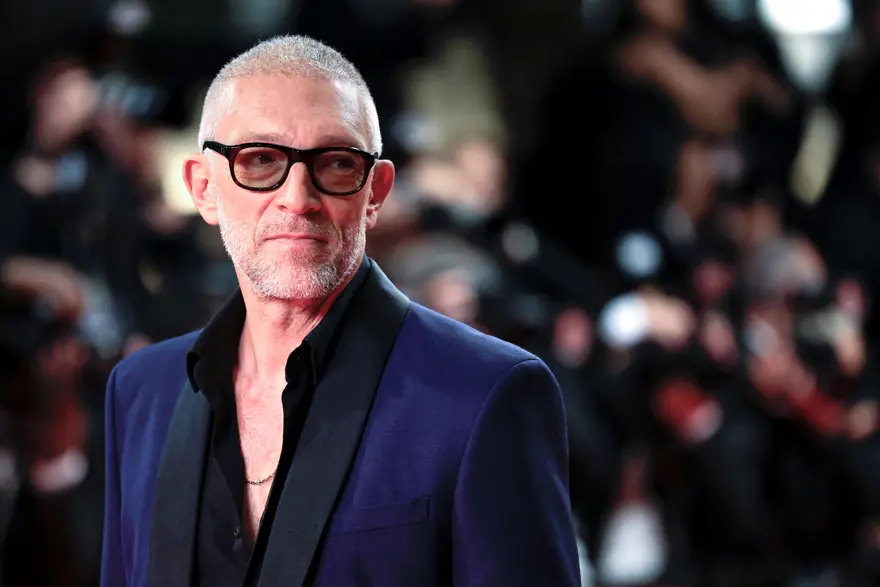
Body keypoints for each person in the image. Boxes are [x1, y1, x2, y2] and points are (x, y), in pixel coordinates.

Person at [100, 35, 579, 587]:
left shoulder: (486, 393)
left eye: (336, 163)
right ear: (203, 188)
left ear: (376, 191)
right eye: (260, 160)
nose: (297, 197)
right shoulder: (139, 393)